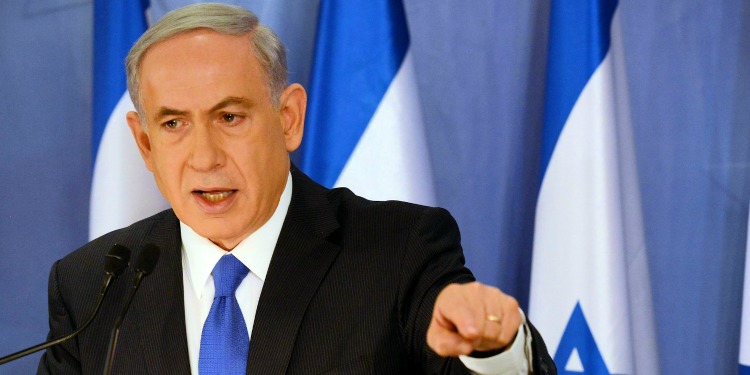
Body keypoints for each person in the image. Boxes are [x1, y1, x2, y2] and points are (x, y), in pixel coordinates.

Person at [38, 3, 555, 374]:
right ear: (145, 144)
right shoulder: (93, 287)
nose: (204, 157)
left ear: (289, 119)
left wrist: (493, 349)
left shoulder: (401, 250)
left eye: (230, 116)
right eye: (174, 125)